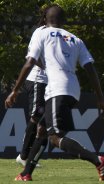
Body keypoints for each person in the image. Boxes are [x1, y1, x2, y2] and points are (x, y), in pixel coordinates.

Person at [5, 4, 104, 181]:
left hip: (56, 88)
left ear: (45, 20)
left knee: (55, 137)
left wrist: (15, 90)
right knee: (41, 129)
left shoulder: (42, 33)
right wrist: (100, 99)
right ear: (64, 21)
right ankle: (26, 173)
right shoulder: (75, 39)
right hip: (73, 89)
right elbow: (90, 69)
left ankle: (98, 160)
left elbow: (30, 62)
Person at [16, 18, 48, 168]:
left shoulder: (55, 34)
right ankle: (24, 156)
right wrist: (49, 68)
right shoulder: (40, 32)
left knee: (43, 119)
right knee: (36, 117)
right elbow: (32, 58)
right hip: (37, 79)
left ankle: (29, 155)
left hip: (48, 82)